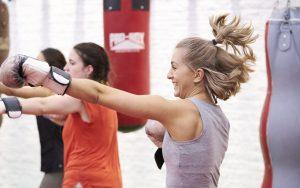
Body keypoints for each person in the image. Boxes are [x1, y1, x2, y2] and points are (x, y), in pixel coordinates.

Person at [0, 14, 257, 187]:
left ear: (198, 74)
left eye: (174, 67)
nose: (169, 74)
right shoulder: (219, 118)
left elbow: (100, 94)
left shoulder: (179, 111)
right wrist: (166, 144)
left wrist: (42, 73)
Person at [0, 42, 122, 187]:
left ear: (89, 69)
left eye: (72, 63)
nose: (66, 68)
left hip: (85, 179)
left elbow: (42, 105)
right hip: (107, 178)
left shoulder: (83, 98)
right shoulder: (106, 97)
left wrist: (4, 105)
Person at [0, 48, 66, 188]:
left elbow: (14, 91)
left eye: (38, 62)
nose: (32, 66)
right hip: (55, 162)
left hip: (61, 163)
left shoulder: (52, 92)